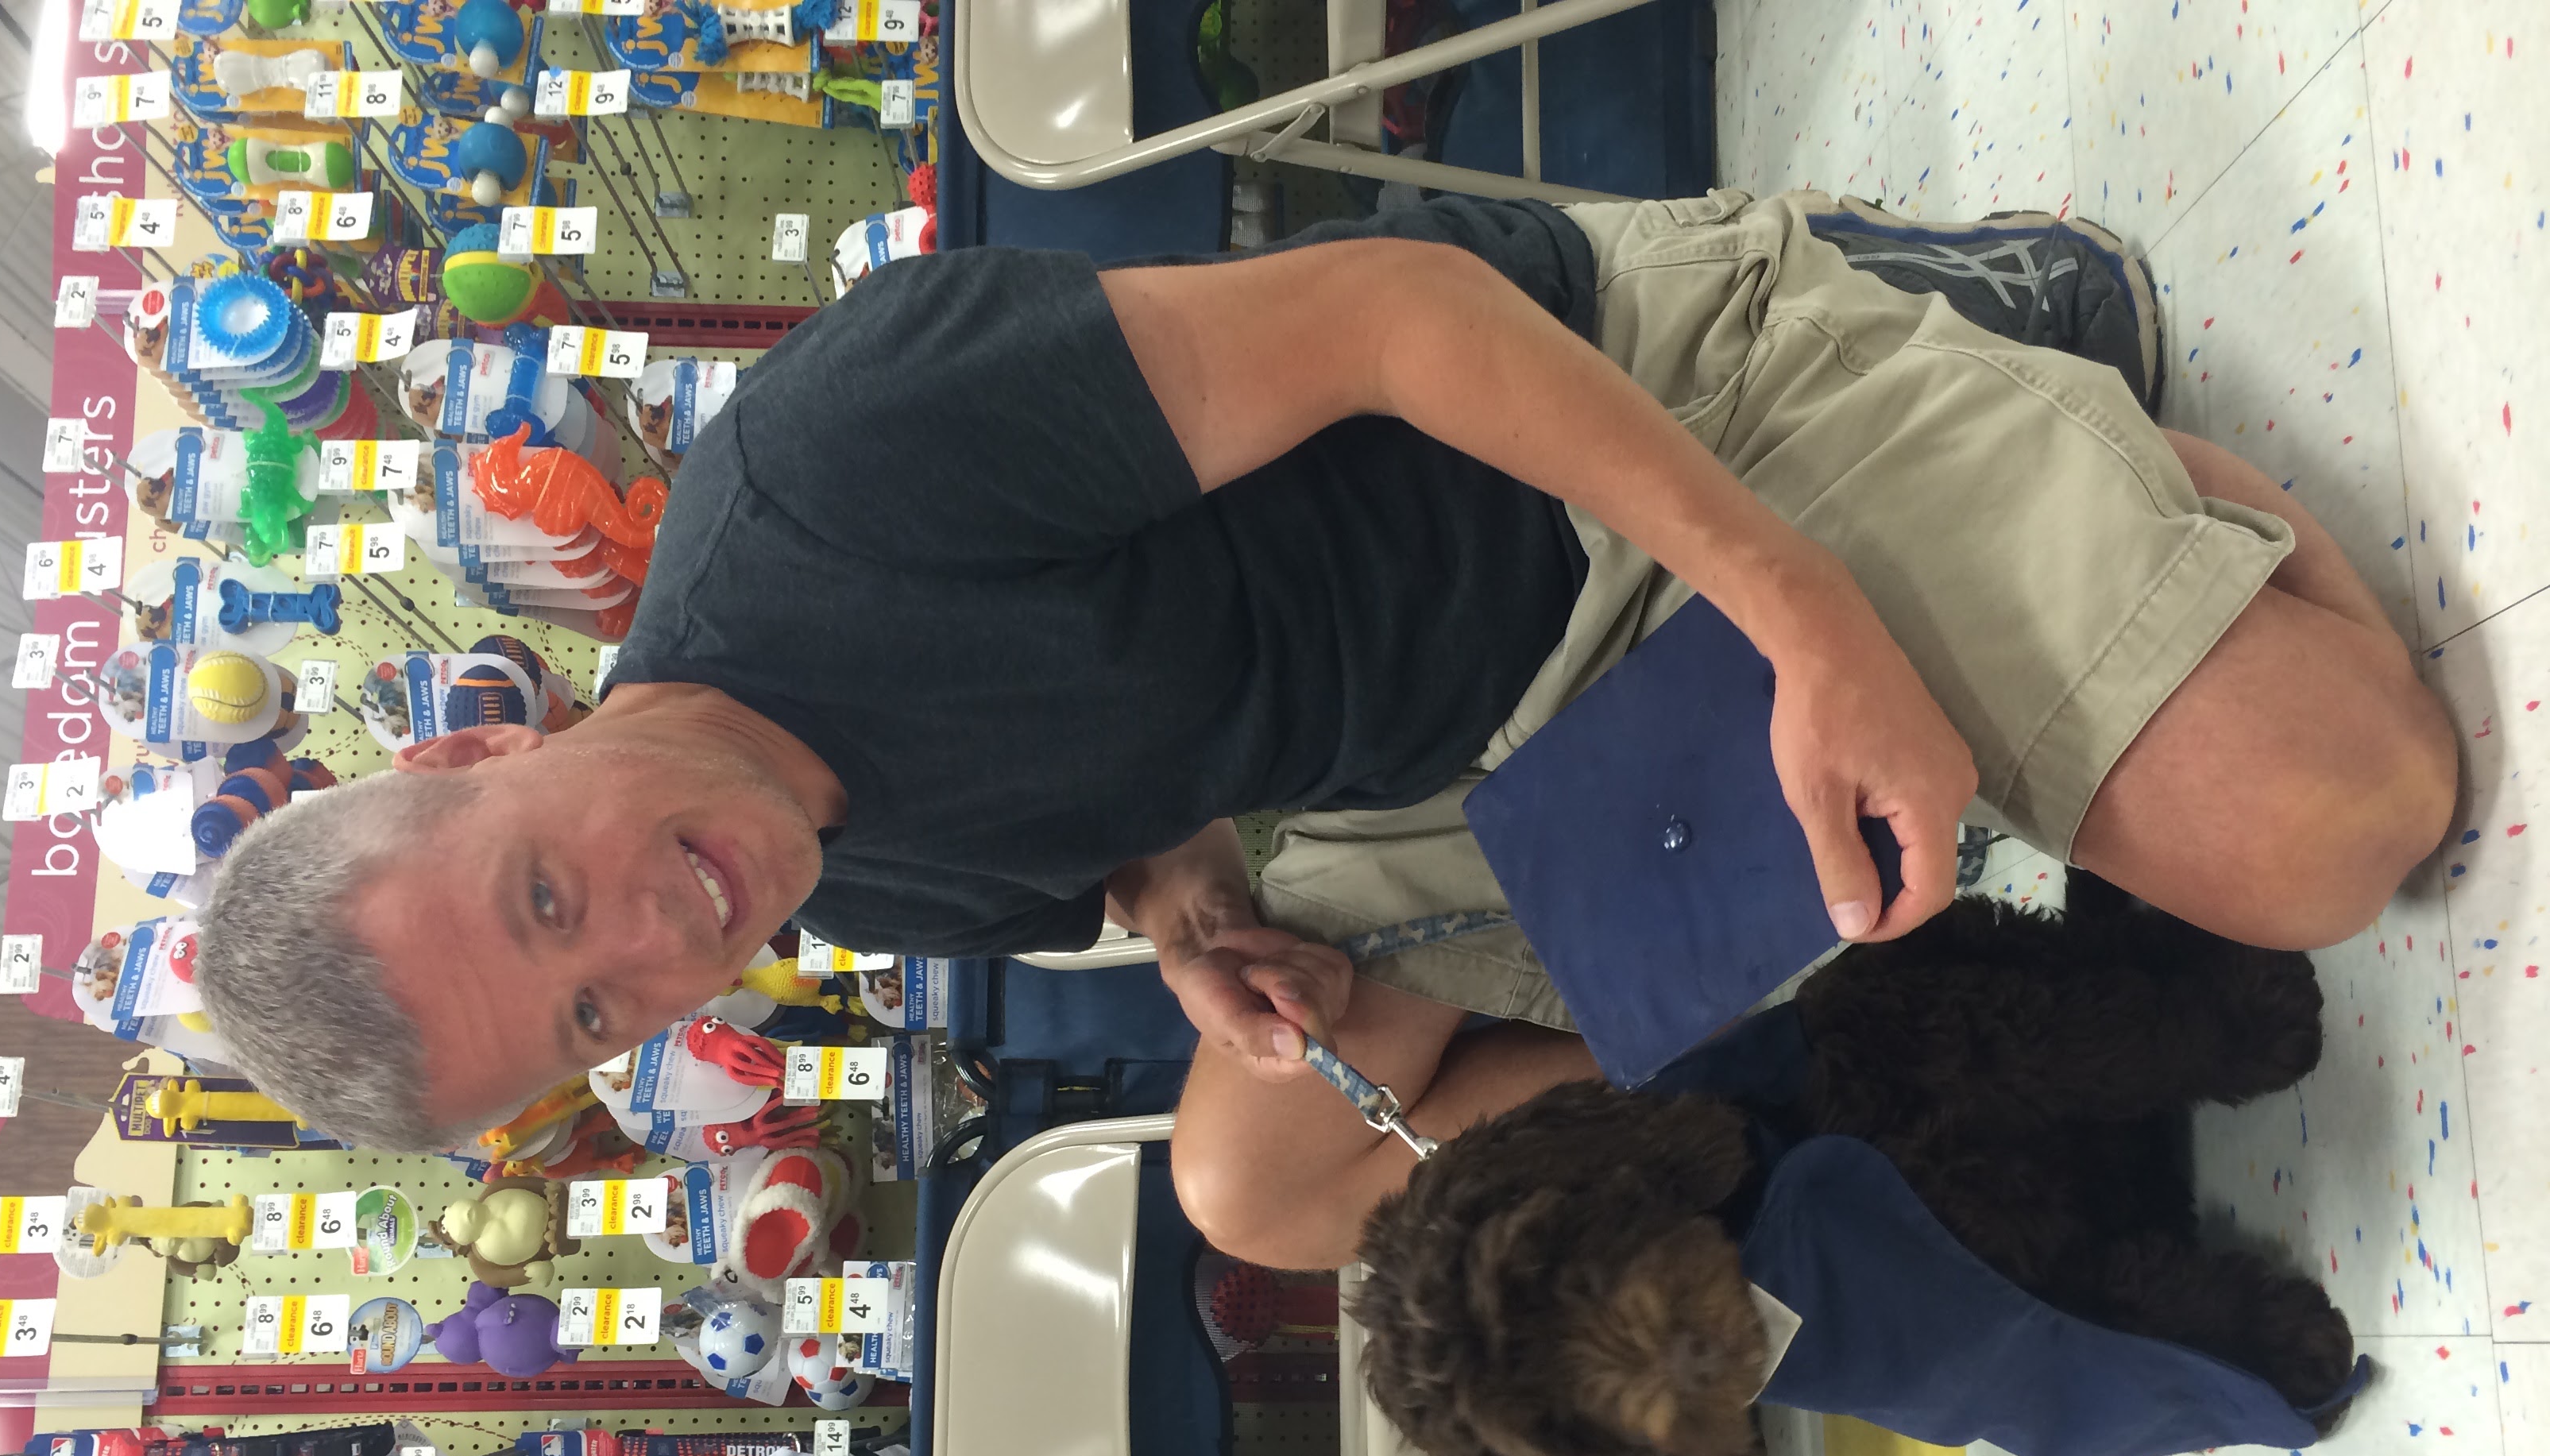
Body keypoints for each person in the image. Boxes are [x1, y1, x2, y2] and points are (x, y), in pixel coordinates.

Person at [198, 191, 2456, 1270]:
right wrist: (1190, 921)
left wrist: (1807, 608)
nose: (664, 939)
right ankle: (1894, 900)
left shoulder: (834, 474)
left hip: (1625, 448)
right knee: (1255, 1190)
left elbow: (1400, 312)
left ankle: (1991, 354)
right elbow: (1134, 824)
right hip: (1427, 755)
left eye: (550, 891)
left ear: (480, 746)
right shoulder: (807, 882)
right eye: (596, 1008)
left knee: (2340, 834)